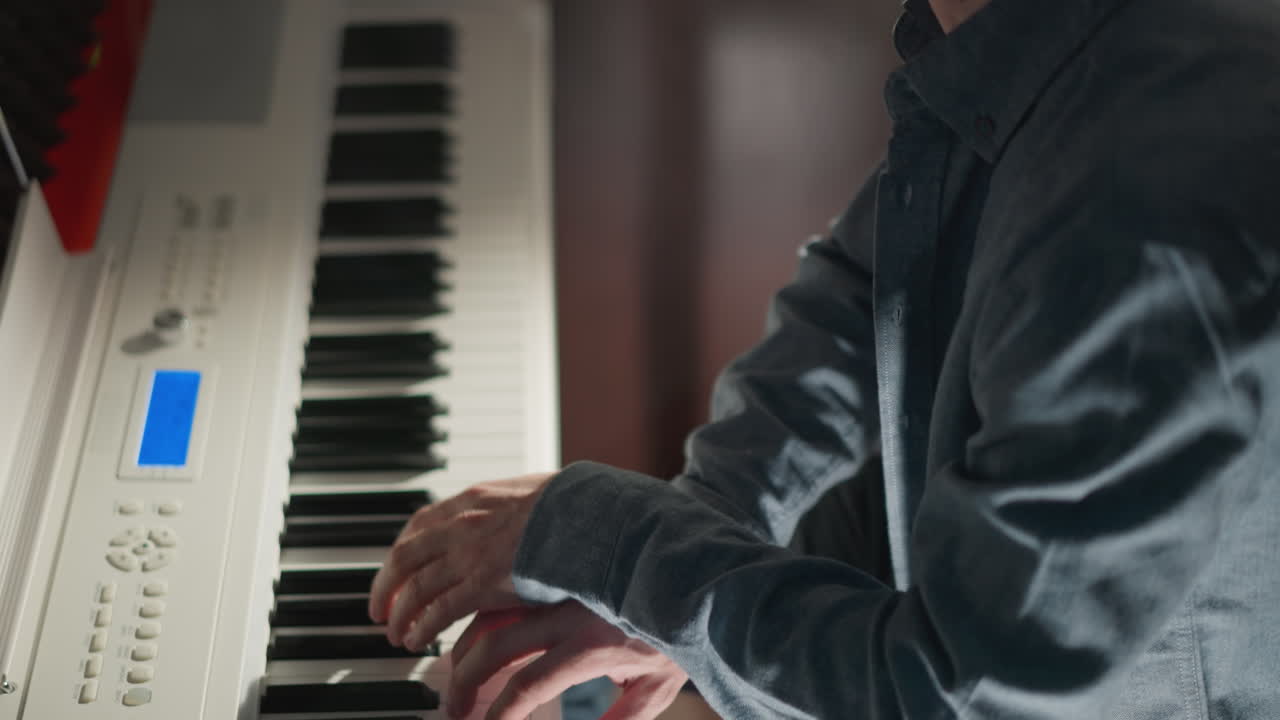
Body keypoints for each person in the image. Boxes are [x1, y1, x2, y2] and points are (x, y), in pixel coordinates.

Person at [368, 0, 1280, 716]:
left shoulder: (1141, 213)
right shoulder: (1021, 39)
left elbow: (959, 698)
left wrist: (618, 544)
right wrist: (697, 536)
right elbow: (875, 284)